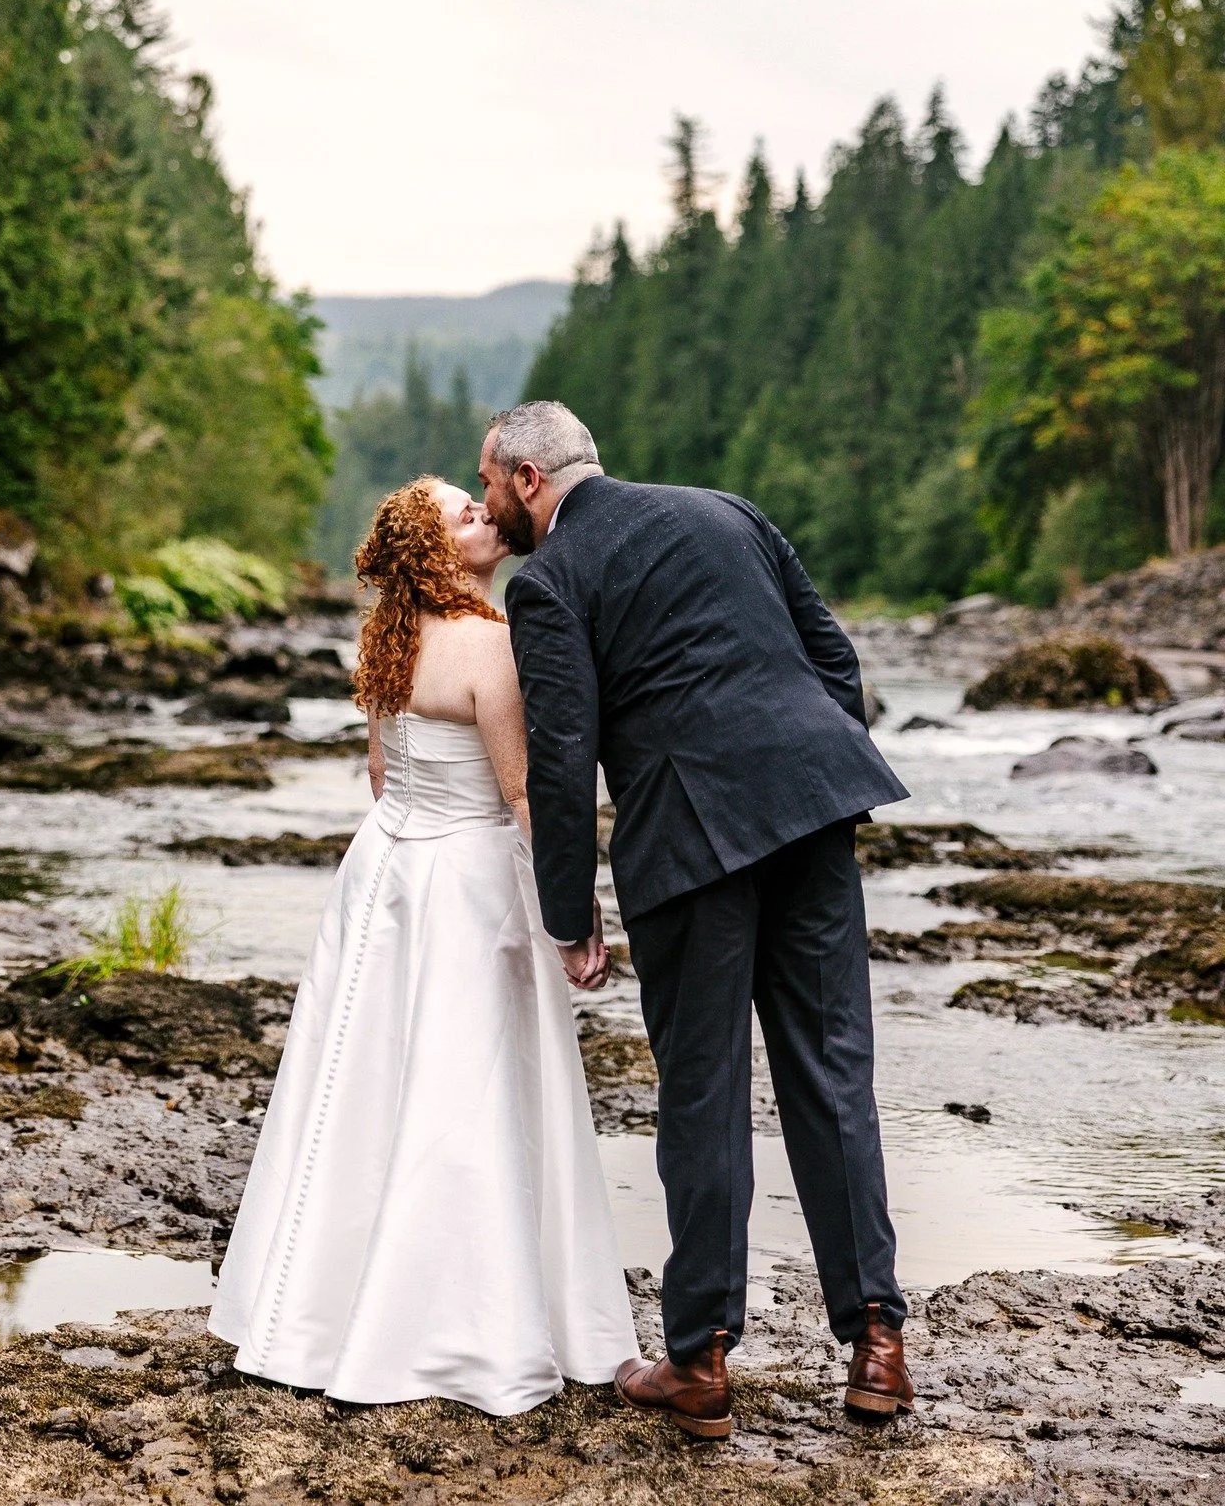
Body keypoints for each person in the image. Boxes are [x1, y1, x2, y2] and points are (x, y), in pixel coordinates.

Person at [478, 400, 914, 1440]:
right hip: (815, 804)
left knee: (705, 1093)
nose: (489, 503)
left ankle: (701, 1362)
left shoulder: (549, 580)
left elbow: (562, 753)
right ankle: (879, 1350)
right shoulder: (729, 511)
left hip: (689, 841)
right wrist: (807, 767)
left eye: (489, 481)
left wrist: (568, 909)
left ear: (529, 479)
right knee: (831, 1075)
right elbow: (833, 660)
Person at [208, 475, 637, 1414]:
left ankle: (315, 1311)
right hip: (464, 880)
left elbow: (379, 772)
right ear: (439, 552)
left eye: (478, 502)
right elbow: (524, 794)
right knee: (467, 1093)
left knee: (361, 1089)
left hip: (383, 876)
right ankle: (462, 1322)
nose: (484, 514)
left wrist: (406, 854)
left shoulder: (387, 641)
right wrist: (575, 912)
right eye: (464, 512)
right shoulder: (491, 642)